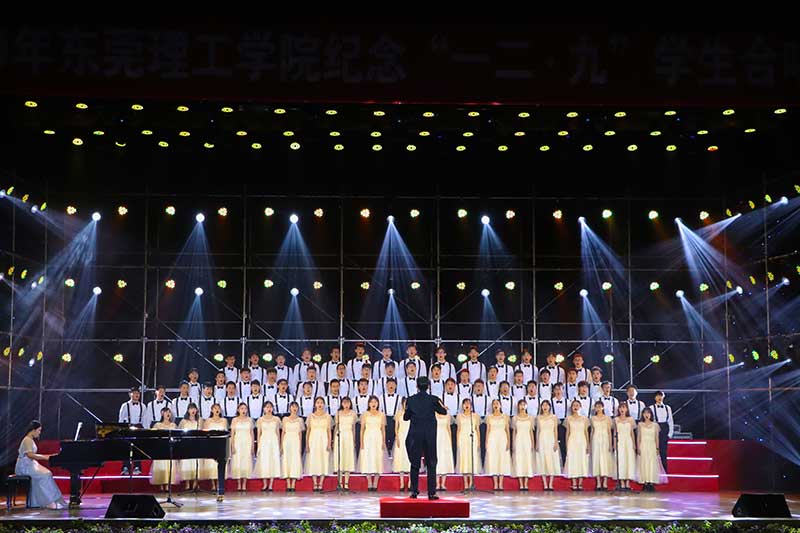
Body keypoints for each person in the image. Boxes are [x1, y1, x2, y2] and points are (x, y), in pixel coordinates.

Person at [403, 375, 448, 500]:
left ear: (417, 386)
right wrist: (443, 407)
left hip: (415, 435)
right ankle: (431, 493)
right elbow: (443, 412)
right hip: (429, 436)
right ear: (428, 386)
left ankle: (414, 491)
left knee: (415, 463)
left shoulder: (410, 400)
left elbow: (406, 417)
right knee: (431, 463)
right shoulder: (434, 399)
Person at [14, 420, 65, 509]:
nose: (39, 432)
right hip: (24, 466)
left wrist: (50, 456)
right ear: (33, 430)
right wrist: (47, 457)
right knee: (44, 475)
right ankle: (48, 502)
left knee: (47, 473)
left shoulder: (30, 440)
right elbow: (30, 455)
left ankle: (42, 501)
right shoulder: (27, 440)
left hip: (29, 464)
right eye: (39, 430)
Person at [359, 395, 386, 491]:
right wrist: (361, 441)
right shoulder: (364, 414)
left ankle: (375, 483)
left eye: (375, 402)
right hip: (367, 438)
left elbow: (383, 429)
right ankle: (369, 482)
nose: (373, 404)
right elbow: (362, 429)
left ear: (378, 403)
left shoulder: (381, 415)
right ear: (369, 404)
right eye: (372, 402)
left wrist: (383, 441)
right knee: (368, 458)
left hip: (378, 437)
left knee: (377, 458)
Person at [484, 399, 512, 491]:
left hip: (502, 438)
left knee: (502, 459)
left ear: (500, 405)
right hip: (492, 438)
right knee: (493, 459)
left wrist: (508, 442)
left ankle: (501, 483)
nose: (495, 405)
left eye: (497, 403)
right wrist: (486, 442)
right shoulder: (489, 417)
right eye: (494, 404)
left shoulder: (505, 416)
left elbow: (507, 430)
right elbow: (488, 430)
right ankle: (495, 483)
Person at [637, 407, 667, 491]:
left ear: (651, 415)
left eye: (648, 413)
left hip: (652, 446)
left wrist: (657, 448)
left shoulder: (655, 425)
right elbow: (639, 437)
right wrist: (638, 447)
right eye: (645, 413)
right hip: (643, 445)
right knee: (644, 463)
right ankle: (645, 482)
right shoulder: (640, 424)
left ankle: (651, 482)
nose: (646, 415)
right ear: (642, 415)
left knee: (652, 463)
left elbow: (656, 438)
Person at [254, 401, 281, 492]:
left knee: (273, 461)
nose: (269, 409)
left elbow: (277, 433)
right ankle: (265, 484)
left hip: (273, 441)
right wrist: (258, 445)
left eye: (270, 407)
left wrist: (279, 444)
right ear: (264, 409)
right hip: (264, 441)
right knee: (264, 461)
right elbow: (259, 433)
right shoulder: (260, 420)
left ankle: (271, 485)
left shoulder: (276, 419)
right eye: (267, 407)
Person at [306, 397, 332, 492]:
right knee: (313, 459)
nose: (319, 404)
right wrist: (307, 443)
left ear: (324, 405)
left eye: (321, 403)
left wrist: (329, 443)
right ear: (315, 404)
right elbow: (308, 431)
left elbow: (329, 431)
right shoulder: (311, 416)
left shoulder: (328, 416)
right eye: (318, 402)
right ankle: (314, 483)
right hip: (313, 439)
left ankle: (320, 483)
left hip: (323, 439)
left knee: (323, 459)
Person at [455, 399, 482, 491]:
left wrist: (479, 441)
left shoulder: (475, 416)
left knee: (471, 459)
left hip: (472, 439)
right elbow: (458, 429)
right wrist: (458, 441)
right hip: (463, 438)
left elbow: (477, 429)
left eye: (468, 403)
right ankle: (465, 483)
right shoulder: (459, 416)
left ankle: (471, 483)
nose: (467, 405)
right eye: (465, 403)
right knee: (464, 459)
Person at [200, 404, 228, 491]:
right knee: (211, 464)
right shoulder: (208, 421)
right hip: (211, 444)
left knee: (220, 464)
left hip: (221, 444)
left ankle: (220, 484)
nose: (217, 410)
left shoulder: (224, 420)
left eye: (218, 408)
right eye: (215, 408)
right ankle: (213, 484)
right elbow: (204, 434)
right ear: (212, 410)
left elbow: (226, 433)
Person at [150, 407, 179, 492]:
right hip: (161, 448)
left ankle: (167, 485)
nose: (168, 414)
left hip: (170, 447)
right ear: (162, 414)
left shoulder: (173, 425)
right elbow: (153, 437)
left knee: (169, 467)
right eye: (166, 412)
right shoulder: (157, 425)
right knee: (161, 466)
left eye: (169, 412)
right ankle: (161, 485)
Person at [564, 399, 590, 491]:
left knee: (581, 460)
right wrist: (567, 444)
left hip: (582, 441)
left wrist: (588, 444)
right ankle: (574, 483)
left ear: (580, 407)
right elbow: (568, 432)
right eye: (574, 405)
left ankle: (580, 483)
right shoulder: (568, 418)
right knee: (573, 460)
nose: (575, 407)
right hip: (572, 441)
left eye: (577, 405)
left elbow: (586, 432)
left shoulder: (585, 419)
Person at [535, 400, 561, 491]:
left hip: (551, 439)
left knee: (552, 460)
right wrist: (537, 443)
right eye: (543, 405)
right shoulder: (539, 417)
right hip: (542, 439)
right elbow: (538, 431)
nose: (545, 407)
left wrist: (556, 442)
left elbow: (555, 430)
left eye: (546, 405)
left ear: (550, 406)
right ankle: (545, 484)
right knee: (542, 460)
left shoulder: (554, 417)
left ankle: (550, 484)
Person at [590, 400, 615, 491]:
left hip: (605, 440)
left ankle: (604, 482)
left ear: (603, 407)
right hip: (596, 440)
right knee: (596, 459)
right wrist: (590, 444)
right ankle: (598, 483)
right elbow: (592, 431)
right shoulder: (592, 418)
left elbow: (609, 432)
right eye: (596, 407)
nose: (598, 408)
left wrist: (611, 443)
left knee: (605, 459)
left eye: (600, 406)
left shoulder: (607, 418)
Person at [118, 386, 144, 475]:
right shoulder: (125, 405)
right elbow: (121, 418)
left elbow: (145, 419)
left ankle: (137, 467)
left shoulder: (143, 406)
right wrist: (120, 429)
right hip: (127, 427)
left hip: (138, 427)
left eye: (138, 393)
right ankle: (125, 467)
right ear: (130, 394)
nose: (137, 395)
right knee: (126, 447)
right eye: (135, 393)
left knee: (137, 448)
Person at [334, 397, 358, 491]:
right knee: (340, 458)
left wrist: (354, 440)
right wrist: (334, 439)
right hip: (340, 436)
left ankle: (346, 483)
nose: (346, 404)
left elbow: (353, 428)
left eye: (348, 403)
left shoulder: (353, 413)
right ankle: (340, 482)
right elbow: (336, 426)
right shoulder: (338, 413)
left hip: (349, 436)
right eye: (344, 403)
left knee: (348, 458)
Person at [229, 402, 254, 491]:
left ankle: (244, 484)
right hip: (237, 442)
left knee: (246, 461)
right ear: (238, 410)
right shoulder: (234, 420)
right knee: (238, 461)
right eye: (242, 408)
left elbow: (252, 433)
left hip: (247, 442)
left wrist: (252, 446)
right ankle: (239, 484)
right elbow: (232, 434)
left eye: (245, 409)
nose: (243, 410)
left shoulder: (250, 420)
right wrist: (232, 445)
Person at [512, 399, 536, 491]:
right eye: (520, 404)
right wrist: (513, 444)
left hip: (527, 440)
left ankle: (526, 483)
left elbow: (531, 431)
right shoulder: (515, 418)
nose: (522, 406)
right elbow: (514, 432)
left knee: (527, 459)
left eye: (524, 404)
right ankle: (521, 484)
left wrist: (533, 443)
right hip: (518, 440)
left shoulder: (530, 418)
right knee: (519, 459)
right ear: (518, 406)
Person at [281, 402, 305, 492]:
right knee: (287, 459)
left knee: (295, 460)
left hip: (295, 441)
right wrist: (281, 445)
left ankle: (293, 484)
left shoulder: (300, 420)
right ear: (289, 408)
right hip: (287, 440)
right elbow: (283, 432)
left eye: (296, 407)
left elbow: (300, 434)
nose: (294, 408)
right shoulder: (285, 419)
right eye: (292, 406)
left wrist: (300, 445)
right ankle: (288, 483)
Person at [179, 403, 203, 491]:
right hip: (187, 444)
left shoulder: (200, 420)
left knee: (196, 463)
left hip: (197, 444)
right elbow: (180, 433)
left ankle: (196, 483)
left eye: (194, 409)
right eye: (191, 409)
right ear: (188, 410)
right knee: (187, 464)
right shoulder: (183, 421)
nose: (193, 410)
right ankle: (187, 484)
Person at [615, 402, 637, 491]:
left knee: (629, 460)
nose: (622, 409)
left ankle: (627, 482)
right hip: (620, 441)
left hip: (628, 441)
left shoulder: (630, 419)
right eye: (620, 408)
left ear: (627, 409)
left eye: (624, 407)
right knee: (621, 460)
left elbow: (632, 433)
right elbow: (614, 433)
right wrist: (614, 444)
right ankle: (622, 482)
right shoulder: (616, 419)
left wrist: (634, 444)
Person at [650, 390, 674, 471]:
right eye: (657, 396)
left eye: (661, 396)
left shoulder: (668, 408)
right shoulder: (651, 408)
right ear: (655, 398)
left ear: (663, 397)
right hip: (655, 429)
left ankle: (664, 470)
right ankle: (654, 470)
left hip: (664, 429)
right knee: (654, 451)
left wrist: (670, 434)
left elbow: (670, 421)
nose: (659, 397)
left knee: (663, 452)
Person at [393, 397, 412, 491]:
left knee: (410, 460)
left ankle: (410, 482)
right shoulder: (398, 413)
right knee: (400, 459)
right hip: (401, 436)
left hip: (410, 437)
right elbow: (396, 427)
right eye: (405, 403)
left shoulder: (413, 413)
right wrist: (397, 437)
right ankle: (401, 482)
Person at [435, 410, 454, 491]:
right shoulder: (433, 414)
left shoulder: (447, 415)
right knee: (436, 458)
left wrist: (450, 440)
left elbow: (448, 428)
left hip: (445, 438)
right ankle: (437, 484)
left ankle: (443, 484)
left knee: (444, 459)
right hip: (436, 437)